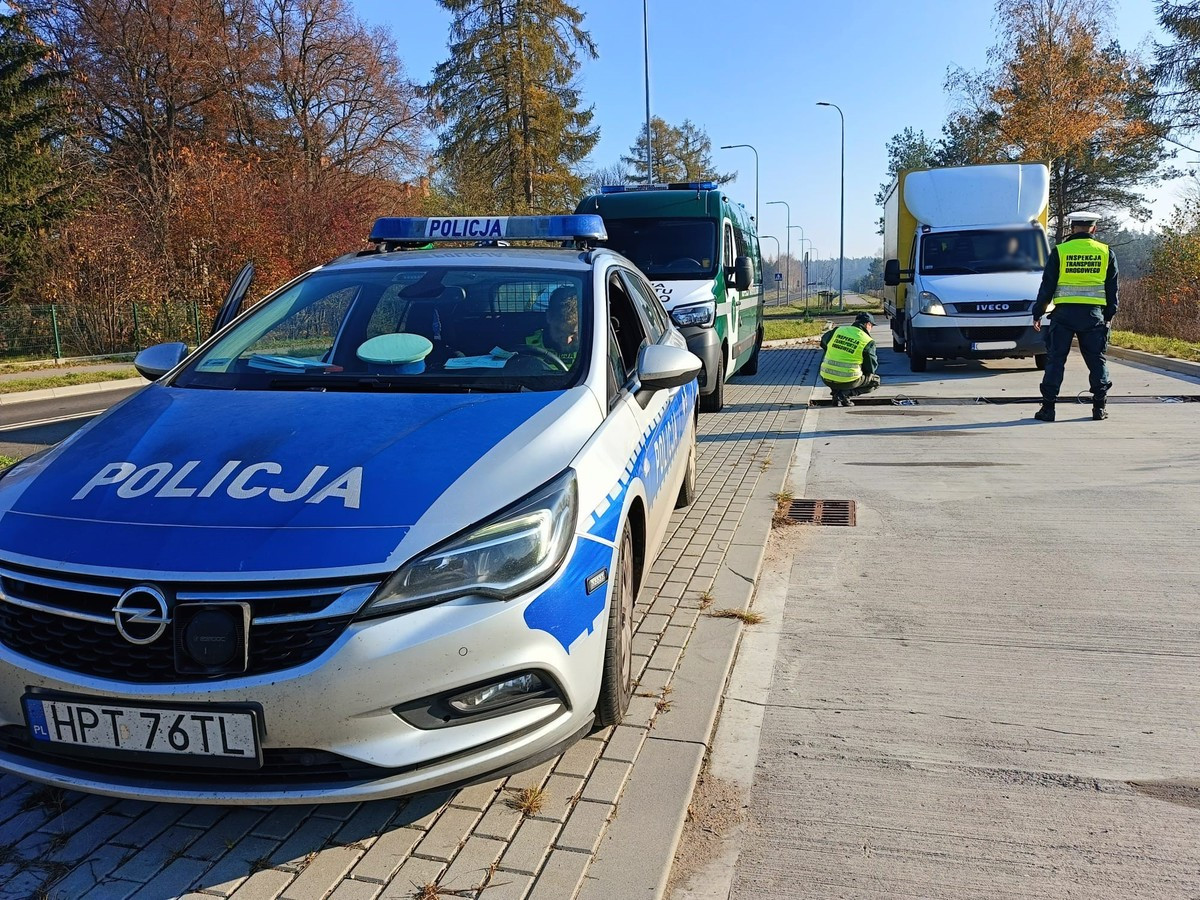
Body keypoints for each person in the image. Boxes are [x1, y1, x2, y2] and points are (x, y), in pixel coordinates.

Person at [1031, 212, 1118, 422]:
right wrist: (1109, 315)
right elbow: (1112, 288)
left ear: (1072, 229)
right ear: (1093, 229)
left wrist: (1038, 312)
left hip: (1064, 315)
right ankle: (1099, 407)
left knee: (1055, 361)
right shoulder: (1106, 252)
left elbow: (1048, 285)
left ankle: (1048, 409)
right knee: (1096, 361)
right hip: (1092, 315)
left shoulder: (1060, 251)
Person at [820, 312, 880, 407]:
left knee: (838, 377)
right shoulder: (867, 340)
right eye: (871, 326)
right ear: (867, 324)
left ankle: (837, 396)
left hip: (826, 377)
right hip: (848, 379)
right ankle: (844, 394)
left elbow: (823, 341)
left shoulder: (838, 330)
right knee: (875, 381)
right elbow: (871, 368)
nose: (871, 329)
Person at [525, 286, 580, 367]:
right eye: (559, 330)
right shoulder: (528, 346)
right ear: (549, 317)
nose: (567, 341)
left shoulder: (594, 349)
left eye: (573, 333)